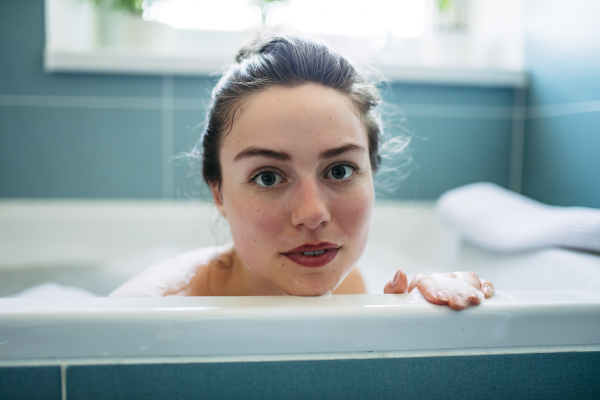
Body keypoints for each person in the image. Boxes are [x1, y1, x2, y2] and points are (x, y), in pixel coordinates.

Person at [111, 33, 494, 310]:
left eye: (340, 170)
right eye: (268, 177)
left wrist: (413, 332)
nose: (313, 213)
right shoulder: (147, 314)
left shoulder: (350, 288)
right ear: (219, 192)